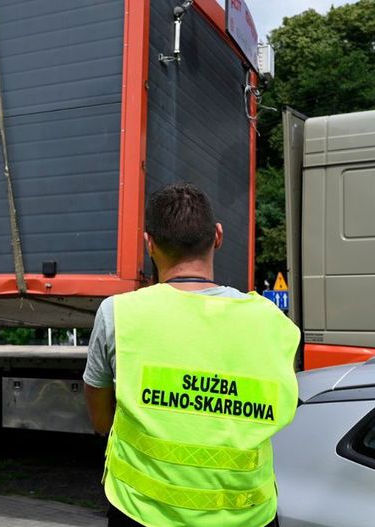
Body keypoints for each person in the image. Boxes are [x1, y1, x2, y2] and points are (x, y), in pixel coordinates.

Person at [83, 183, 299, 527]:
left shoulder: (118, 314)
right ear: (218, 236)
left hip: (143, 514)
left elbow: (100, 420)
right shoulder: (273, 322)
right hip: (249, 517)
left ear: (149, 243)